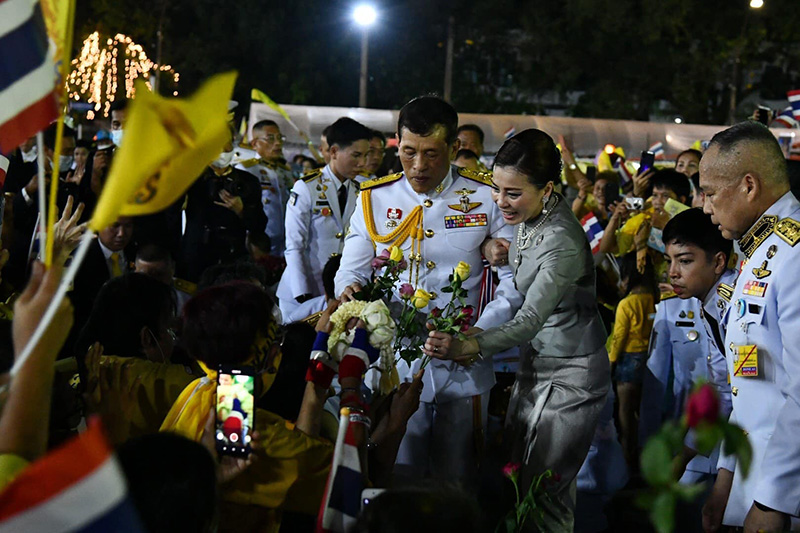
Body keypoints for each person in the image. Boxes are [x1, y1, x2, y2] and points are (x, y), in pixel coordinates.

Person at [424, 129, 610, 530]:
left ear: (546, 188)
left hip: (573, 372)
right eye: (497, 189)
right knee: (518, 479)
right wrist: (498, 251)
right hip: (538, 361)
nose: (500, 202)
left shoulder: (561, 239)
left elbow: (528, 320)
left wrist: (467, 345)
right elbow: (523, 263)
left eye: (512, 193)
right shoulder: (533, 214)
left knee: (547, 487)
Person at [335, 96, 523, 485]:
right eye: (408, 152)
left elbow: (515, 284)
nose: (418, 166)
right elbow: (349, 271)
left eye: (431, 154)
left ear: (454, 149)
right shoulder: (376, 198)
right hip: (395, 367)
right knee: (394, 477)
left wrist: (476, 338)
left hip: (464, 366)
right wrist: (350, 290)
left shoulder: (486, 197)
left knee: (457, 485)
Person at [700, 121, 800, 532]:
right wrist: (727, 479)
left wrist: (775, 500)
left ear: (749, 186)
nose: (704, 207)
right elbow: (751, 379)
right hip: (753, 482)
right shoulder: (760, 250)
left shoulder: (792, 255)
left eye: (709, 193)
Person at [278, 117, 372, 323]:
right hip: (305, 289)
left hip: (340, 289)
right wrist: (303, 294)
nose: (363, 163)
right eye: (356, 155)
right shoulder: (307, 188)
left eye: (366, 155)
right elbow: (295, 246)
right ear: (334, 152)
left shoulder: (362, 189)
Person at [179, 138, 267, 282]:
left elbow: (259, 225)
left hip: (232, 255)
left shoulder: (247, 181)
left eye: (227, 146)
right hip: (197, 253)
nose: (223, 152)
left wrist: (241, 210)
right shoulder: (193, 178)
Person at [609, 252, 657, 469]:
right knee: (643, 411)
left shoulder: (627, 304)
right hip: (650, 359)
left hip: (628, 360)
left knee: (625, 413)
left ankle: (627, 456)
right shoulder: (656, 299)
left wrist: (610, 361)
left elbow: (619, 337)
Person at [237, 120, 294, 256]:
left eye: (280, 138)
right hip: (259, 244)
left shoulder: (284, 171)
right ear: (255, 144)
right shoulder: (246, 170)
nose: (278, 143)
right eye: (270, 139)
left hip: (285, 242)